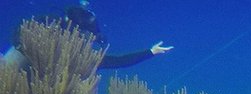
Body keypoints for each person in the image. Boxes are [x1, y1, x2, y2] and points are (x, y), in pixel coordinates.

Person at [3, 2, 172, 70]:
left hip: (47, 84)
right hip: (24, 61)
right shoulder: (50, 23)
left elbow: (115, 61)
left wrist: (150, 52)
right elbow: (20, 30)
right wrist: (27, 50)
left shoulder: (80, 54)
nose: (87, 41)